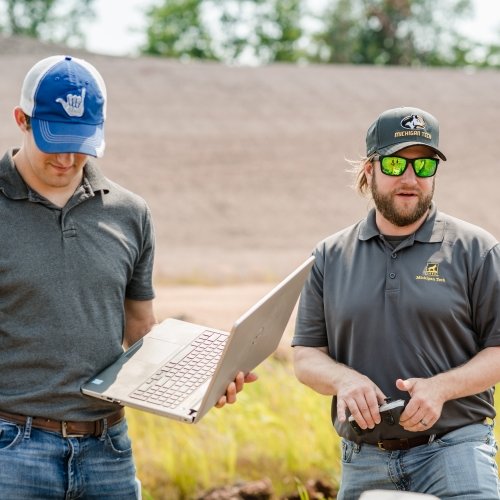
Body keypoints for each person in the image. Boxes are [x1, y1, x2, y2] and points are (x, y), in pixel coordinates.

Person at [0, 55, 256, 499]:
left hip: (109, 451)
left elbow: (140, 331)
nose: (66, 157)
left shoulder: (129, 213)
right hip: (12, 451)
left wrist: (203, 379)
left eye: (80, 142)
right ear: (22, 119)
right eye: (54, 140)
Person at [292, 106, 500, 499]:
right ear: (369, 169)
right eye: (394, 164)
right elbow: (305, 355)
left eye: (423, 167)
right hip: (363, 458)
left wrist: (440, 388)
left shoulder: (477, 250)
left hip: (456, 450)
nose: (410, 179)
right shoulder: (329, 256)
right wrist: (344, 379)